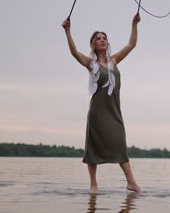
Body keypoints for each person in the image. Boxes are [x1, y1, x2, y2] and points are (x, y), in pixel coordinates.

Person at [61, 13, 142, 194]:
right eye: (98, 39)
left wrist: (134, 23)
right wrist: (68, 31)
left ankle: (131, 182)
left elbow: (131, 44)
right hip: (98, 112)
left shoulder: (114, 61)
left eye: (104, 38)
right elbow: (74, 52)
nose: (103, 40)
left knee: (120, 143)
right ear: (94, 44)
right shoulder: (91, 63)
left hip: (114, 111)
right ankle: (93, 184)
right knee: (93, 147)